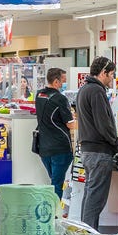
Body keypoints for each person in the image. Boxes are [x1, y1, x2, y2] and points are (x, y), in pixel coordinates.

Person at [75, 56, 118, 232]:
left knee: (90, 195)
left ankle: (84, 232)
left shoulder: (84, 90)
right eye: (111, 74)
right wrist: (115, 143)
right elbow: (104, 123)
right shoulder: (96, 91)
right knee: (96, 198)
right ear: (103, 72)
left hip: (88, 150)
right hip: (99, 152)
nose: (112, 78)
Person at [33, 67, 76, 198]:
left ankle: (51, 211)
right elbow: (70, 124)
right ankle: (54, 214)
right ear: (56, 81)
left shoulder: (39, 95)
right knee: (57, 184)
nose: (64, 84)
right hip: (60, 148)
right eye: (63, 81)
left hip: (43, 148)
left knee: (54, 181)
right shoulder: (60, 98)